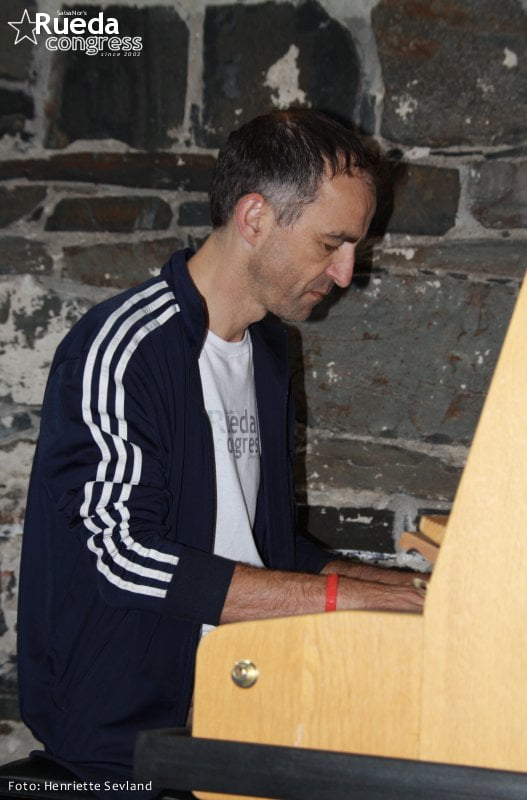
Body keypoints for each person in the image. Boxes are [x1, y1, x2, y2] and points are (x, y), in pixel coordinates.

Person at [17, 109, 423, 797]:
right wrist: (343, 600)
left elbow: (260, 549)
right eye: (332, 243)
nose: (345, 273)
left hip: (244, 704)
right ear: (255, 217)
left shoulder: (267, 349)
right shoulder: (122, 348)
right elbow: (121, 556)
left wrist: (404, 593)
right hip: (127, 744)